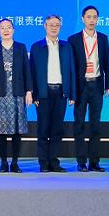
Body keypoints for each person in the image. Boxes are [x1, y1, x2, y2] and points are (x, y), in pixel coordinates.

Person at [67, 5, 109, 172]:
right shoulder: (74, 39)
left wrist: (108, 85)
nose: (92, 20)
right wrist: (71, 91)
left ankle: (94, 162)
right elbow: (71, 68)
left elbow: (107, 64)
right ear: (83, 19)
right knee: (79, 124)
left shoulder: (103, 38)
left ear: (97, 19)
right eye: (88, 17)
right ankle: (81, 161)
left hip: (97, 85)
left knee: (95, 125)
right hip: (81, 86)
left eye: (94, 17)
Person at [29, 15, 76, 172]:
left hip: (61, 92)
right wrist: (34, 94)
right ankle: (43, 163)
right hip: (43, 94)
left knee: (57, 130)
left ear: (60, 27)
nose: (54, 28)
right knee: (43, 129)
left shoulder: (66, 47)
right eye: (51, 25)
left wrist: (72, 93)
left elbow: (71, 70)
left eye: (57, 25)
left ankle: (54, 162)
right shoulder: (37, 47)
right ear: (45, 26)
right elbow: (31, 72)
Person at [0, 19, 32, 173]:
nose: (6, 30)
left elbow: (27, 71)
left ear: (14, 30)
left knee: (17, 130)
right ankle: (4, 162)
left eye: (9, 27)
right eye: (3, 28)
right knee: (1, 130)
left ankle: (15, 162)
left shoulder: (21, 47)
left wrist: (29, 91)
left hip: (17, 93)